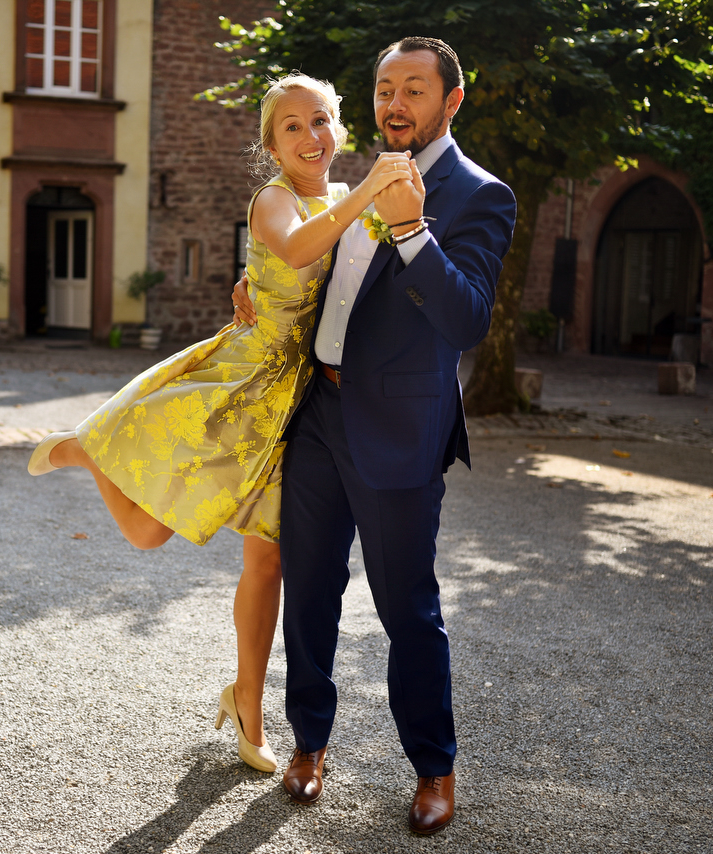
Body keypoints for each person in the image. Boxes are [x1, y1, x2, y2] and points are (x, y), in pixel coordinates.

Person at [25, 74, 414, 774]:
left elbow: (352, 284)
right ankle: (89, 450)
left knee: (270, 558)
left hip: (299, 405)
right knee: (147, 534)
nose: (310, 135)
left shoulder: (345, 203)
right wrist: (363, 198)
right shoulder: (275, 197)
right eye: (291, 126)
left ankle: (247, 704)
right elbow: (295, 249)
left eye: (320, 120)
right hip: (237, 385)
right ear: (270, 145)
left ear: (340, 129)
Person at [232, 37, 516, 834]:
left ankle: (434, 769)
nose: (396, 104)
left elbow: (467, 318)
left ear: (452, 100)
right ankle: (309, 744)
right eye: (386, 89)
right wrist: (255, 285)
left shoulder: (481, 195)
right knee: (311, 592)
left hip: (399, 427)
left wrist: (416, 231)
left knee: (407, 610)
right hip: (317, 416)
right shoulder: (350, 187)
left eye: (415, 90)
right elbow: (311, 271)